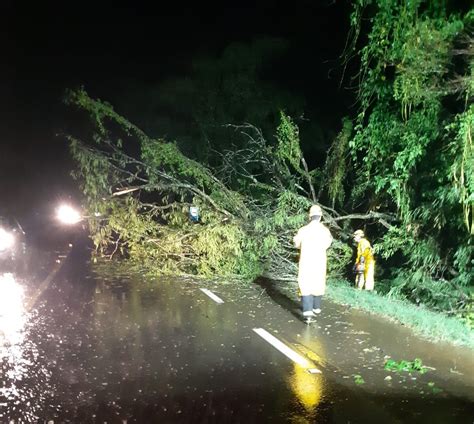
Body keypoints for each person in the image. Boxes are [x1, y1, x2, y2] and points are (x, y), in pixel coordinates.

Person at [293, 205, 333, 318]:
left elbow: (296, 244)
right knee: (318, 283)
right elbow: (328, 244)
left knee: (306, 284)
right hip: (320, 262)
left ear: (309, 216)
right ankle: (316, 307)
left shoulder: (303, 230)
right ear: (320, 217)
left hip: (306, 261)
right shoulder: (325, 231)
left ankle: (307, 312)